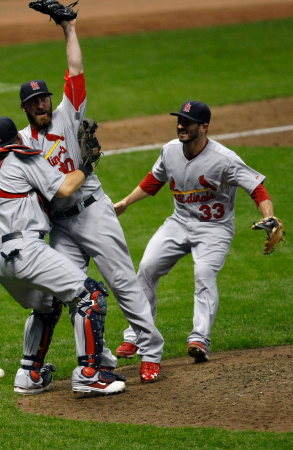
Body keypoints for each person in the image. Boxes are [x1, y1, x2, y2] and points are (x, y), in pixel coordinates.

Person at [0, 15, 164, 382]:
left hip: (93, 211)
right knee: (72, 292)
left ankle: (151, 350)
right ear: (25, 108)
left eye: (44, 98)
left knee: (121, 281)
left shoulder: (69, 112)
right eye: (33, 102)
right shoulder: (20, 141)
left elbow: (76, 68)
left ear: (52, 99)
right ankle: (101, 358)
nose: (41, 105)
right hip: (60, 224)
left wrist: (70, 28)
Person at [113, 100, 276, 363]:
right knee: (146, 268)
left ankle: (200, 337)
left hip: (214, 229)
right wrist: (125, 203)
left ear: (204, 127)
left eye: (187, 122)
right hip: (178, 223)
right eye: (179, 120)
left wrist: (269, 216)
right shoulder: (170, 151)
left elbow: (257, 189)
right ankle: (136, 335)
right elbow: (154, 181)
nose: (181, 126)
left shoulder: (224, 159)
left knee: (204, 274)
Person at [0, 116, 126, 395]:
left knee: (48, 304)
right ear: (18, 138)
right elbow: (64, 187)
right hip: (26, 250)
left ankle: (29, 375)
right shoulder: (23, 157)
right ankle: (89, 375)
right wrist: (87, 165)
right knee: (90, 295)